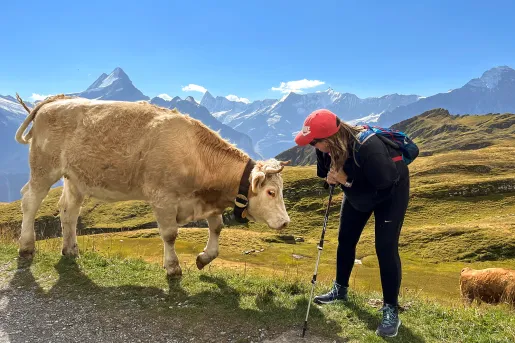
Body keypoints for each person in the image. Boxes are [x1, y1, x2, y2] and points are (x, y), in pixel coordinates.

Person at [294, 109, 410, 338]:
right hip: (356, 190)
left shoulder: (369, 148)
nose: (313, 147)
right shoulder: (326, 150)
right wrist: (331, 179)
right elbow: (328, 177)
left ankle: (390, 311)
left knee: (385, 248)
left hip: (390, 192)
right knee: (345, 238)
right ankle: (340, 289)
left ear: (329, 139)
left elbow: (383, 186)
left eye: (314, 143)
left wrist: (346, 181)